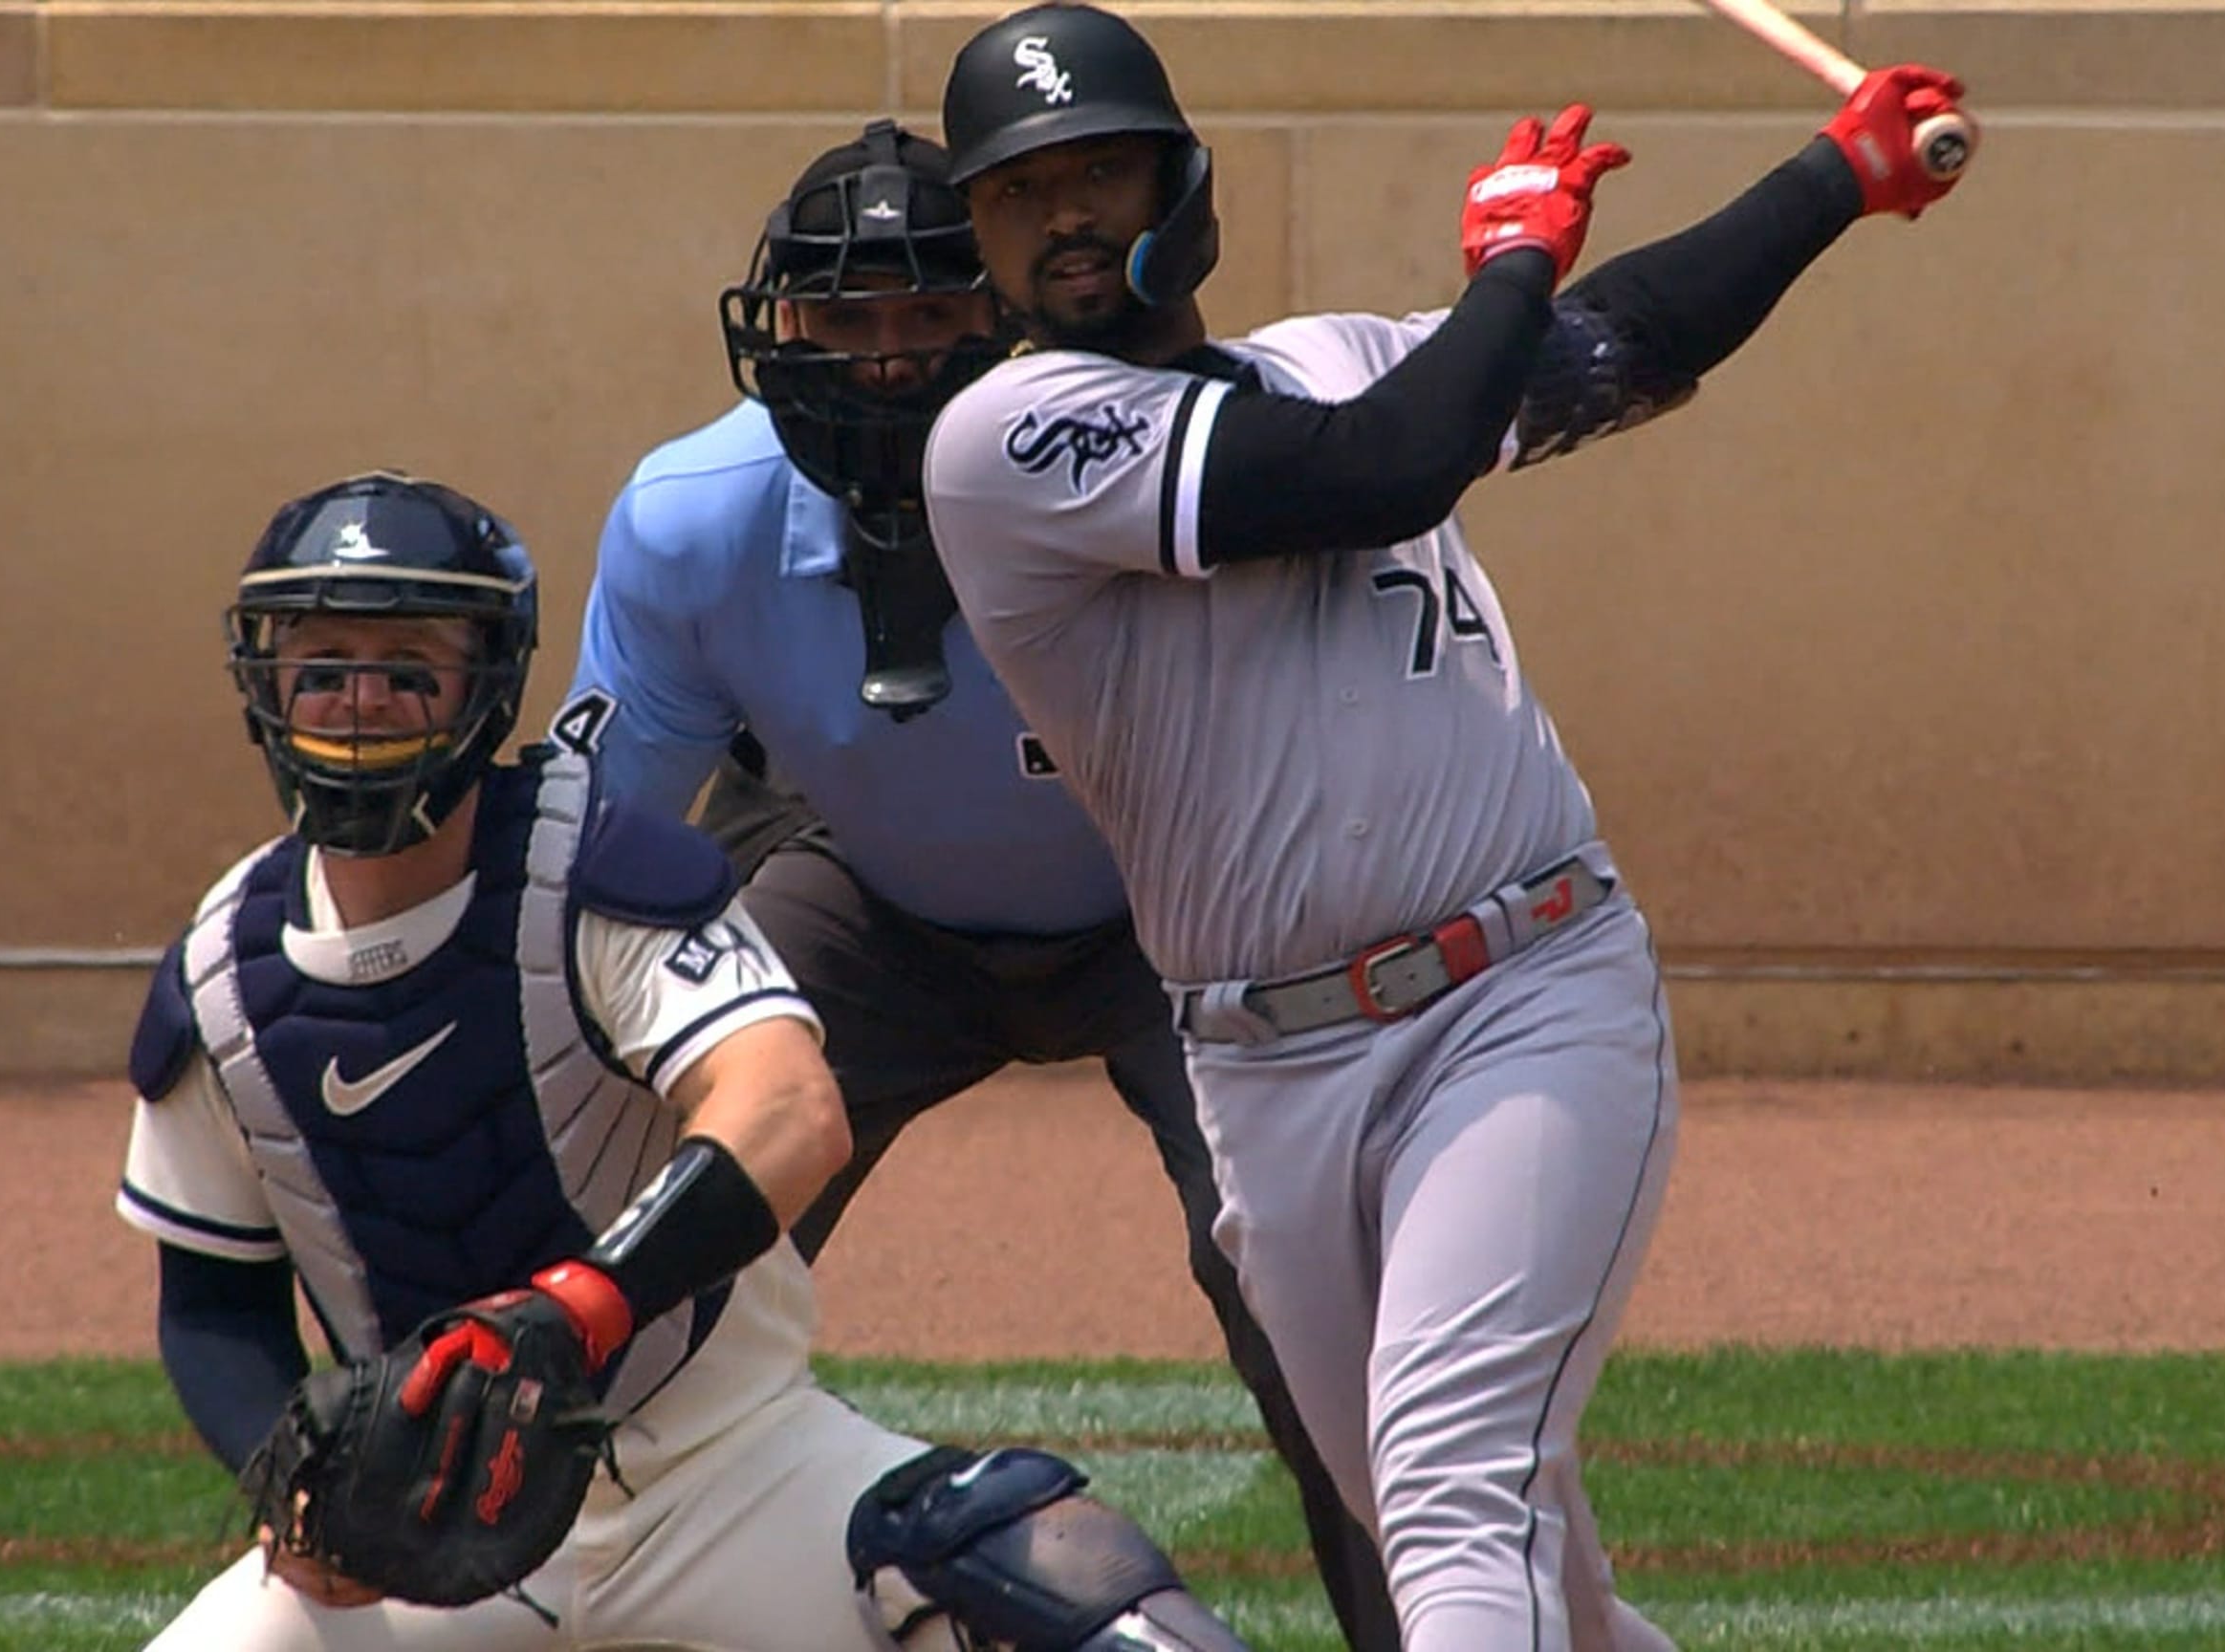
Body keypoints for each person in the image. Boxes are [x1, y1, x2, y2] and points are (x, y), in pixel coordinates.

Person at [915, 6, 1975, 1648]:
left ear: (1180, 187)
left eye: (1100, 170)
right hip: (1266, 1073)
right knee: (1539, 1577)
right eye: (1016, 190)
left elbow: (1617, 340)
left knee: (1448, 1489)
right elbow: (1381, 470)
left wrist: (1836, 176)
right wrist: (1504, 268)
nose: (1062, 215)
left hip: (1521, 991)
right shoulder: (1005, 442)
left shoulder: (1336, 359)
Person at [116, 469, 1259, 1651]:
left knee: (1055, 1584)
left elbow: (789, 1108)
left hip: (732, 1467)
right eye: (323, 670)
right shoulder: (222, 974)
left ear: (486, 685)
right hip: (437, 1532)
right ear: (265, 689)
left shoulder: (596, 873)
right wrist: (300, 1490)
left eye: (409, 668)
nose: (361, 704)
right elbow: (211, 1304)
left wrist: (579, 1308)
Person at [562, 120, 1402, 1649]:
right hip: (871, 892)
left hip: (1181, 907)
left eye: (932, 313)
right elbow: (588, 854)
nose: (887, 362)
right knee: (640, 1255)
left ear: (1005, 308)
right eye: (847, 319)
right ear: (784, 328)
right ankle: (551, 1601)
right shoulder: (697, 513)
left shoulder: (1135, 458)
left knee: (1312, 1301)